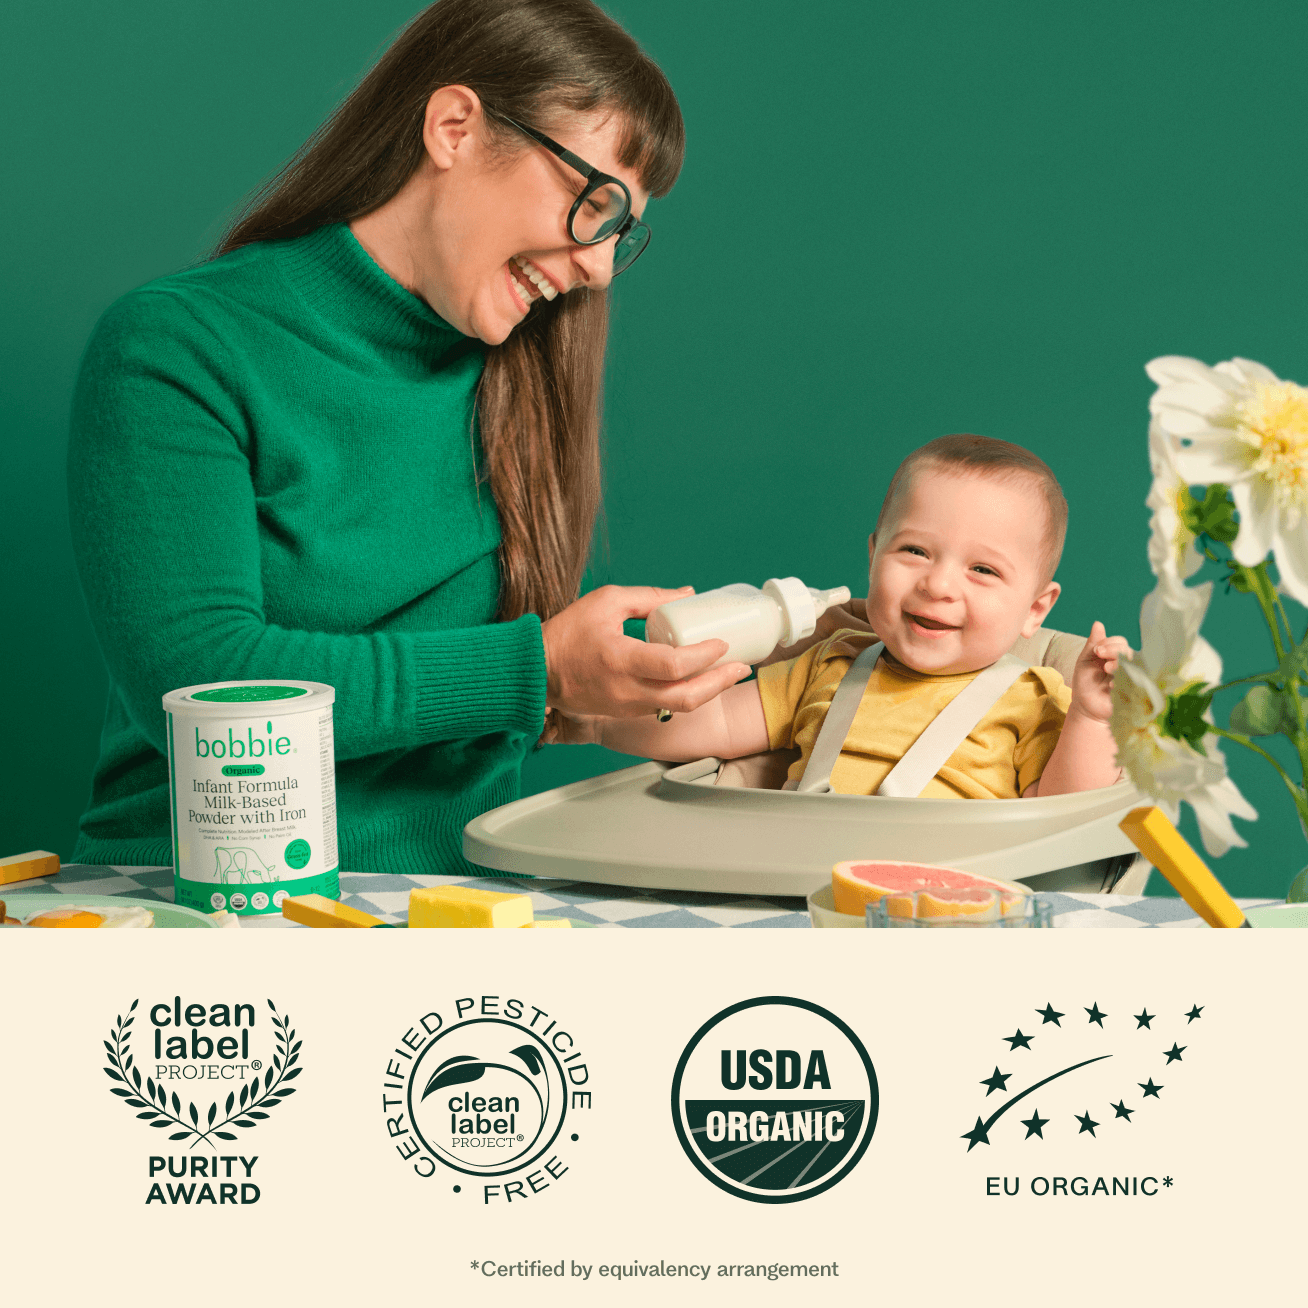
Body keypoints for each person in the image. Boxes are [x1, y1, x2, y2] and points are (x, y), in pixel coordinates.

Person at [66, 0, 747, 876]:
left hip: (464, 903)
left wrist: (639, 696)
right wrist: (535, 670)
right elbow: (200, 687)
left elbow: (464, 716)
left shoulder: (521, 374)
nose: (599, 267)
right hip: (206, 904)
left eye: (623, 231)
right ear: (454, 127)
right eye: (593, 204)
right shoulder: (179, 347)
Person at [560, 435, 1131, 798]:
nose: (937, 583)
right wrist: (592, 719)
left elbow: (1064, 812)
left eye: (983, 570)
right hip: (803, 890)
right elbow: (710, 727)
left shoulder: (1035, 698)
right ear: (872, 558)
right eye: (914, 552)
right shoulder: (827, 665)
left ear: (1035, 609)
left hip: (951, 913)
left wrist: (1091, 717)